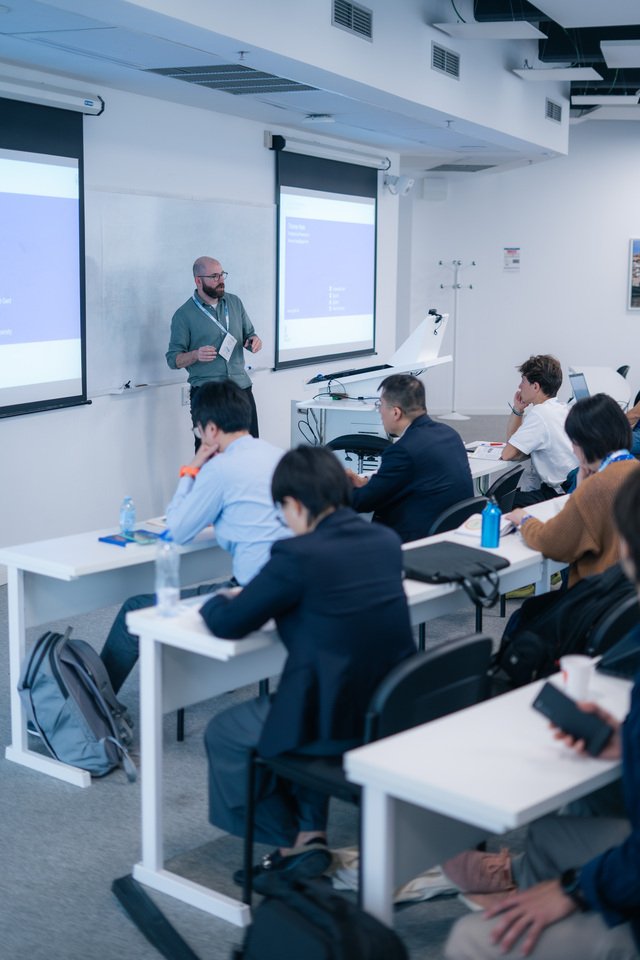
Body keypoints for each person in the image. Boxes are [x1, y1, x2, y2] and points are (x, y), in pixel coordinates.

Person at [444, 469, 640, 960]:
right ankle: (524, 898)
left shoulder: (599, 485)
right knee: (552, 833)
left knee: (469, 940)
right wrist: (626, 739)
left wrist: (575, 891)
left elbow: (554, 542)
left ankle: (532, 917)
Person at [201, 445, 416, 882]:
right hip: (392, 706)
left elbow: (230, 623)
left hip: (332, 713)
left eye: (282, 510)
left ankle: (290, 844)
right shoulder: (385, 540)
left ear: (295, 504)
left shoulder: (296, 555)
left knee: (225, 732)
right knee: (309, 700)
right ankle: (311, 833)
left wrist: (211, 600)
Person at [100, 379, 288, 694]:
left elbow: (176, 532)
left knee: (135, 607)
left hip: (253, 595)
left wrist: (192, 467)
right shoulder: (280, 456)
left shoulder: (221, 468)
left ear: (211, 429)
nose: (199, 437)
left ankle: (96, 705)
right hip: (291, 589)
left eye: (198, 430)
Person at [505, 393, 640, 588]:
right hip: (627, 594)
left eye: (573, 442)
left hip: (598, 594)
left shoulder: (593, 488)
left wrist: (525, 520)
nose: (573, 450)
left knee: (531, 609)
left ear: (587, 443)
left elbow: (552, 542)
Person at [347, 374, 473, 543]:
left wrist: (337, 487)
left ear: (396, 412)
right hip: (453, 533)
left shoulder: (403, 451)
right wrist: (367, 482)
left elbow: (362, 502)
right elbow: (411, 477)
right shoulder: (449, 433)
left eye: (381, 405)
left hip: (414, 541)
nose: (379, 411)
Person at [166, 256, 263, 438]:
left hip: (240, 389)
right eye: (214, 276)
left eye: (222, 274)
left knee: (249, 446)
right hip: (207, 394)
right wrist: (195, 354)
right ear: (198, 281)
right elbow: (173, 359)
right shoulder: (183, 315)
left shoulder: (235, 303)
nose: (221, 280)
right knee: (210, 451)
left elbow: (249, 334)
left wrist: (254, 341)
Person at [502, 355, 577, 508]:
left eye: (523, 381)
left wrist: (517, 411)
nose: (519, 386)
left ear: (536, 387)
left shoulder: (540, 414)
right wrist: (518, 409)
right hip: (575, 489)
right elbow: (516, 444)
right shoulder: (562, 408)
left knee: (500, 501)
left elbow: (508, 454)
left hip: (560, 496)